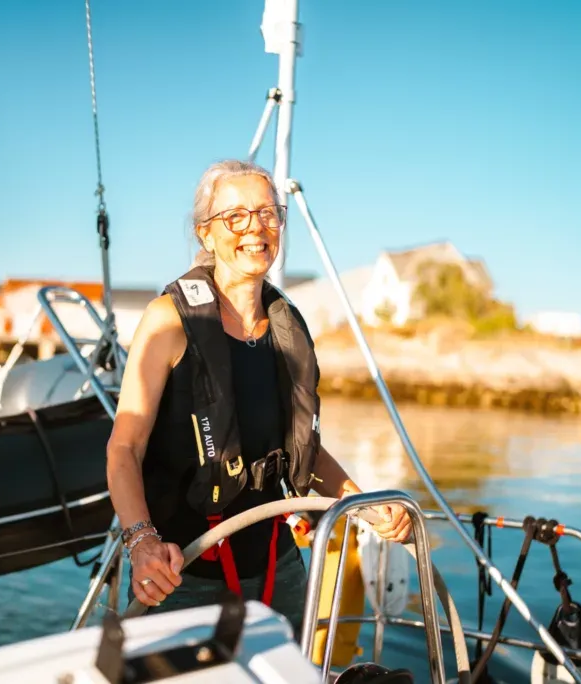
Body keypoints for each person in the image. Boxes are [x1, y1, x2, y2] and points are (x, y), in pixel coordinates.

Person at [106, 159, 413, 636]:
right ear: (206, 234)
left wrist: (366, 506)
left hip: (278, 571)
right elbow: (124, 448)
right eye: (236, 216)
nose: (256, 228)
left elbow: (303, 453)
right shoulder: (168, 320)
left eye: (268, 214)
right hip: (179, 575)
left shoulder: (288, 326)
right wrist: (141, 542)